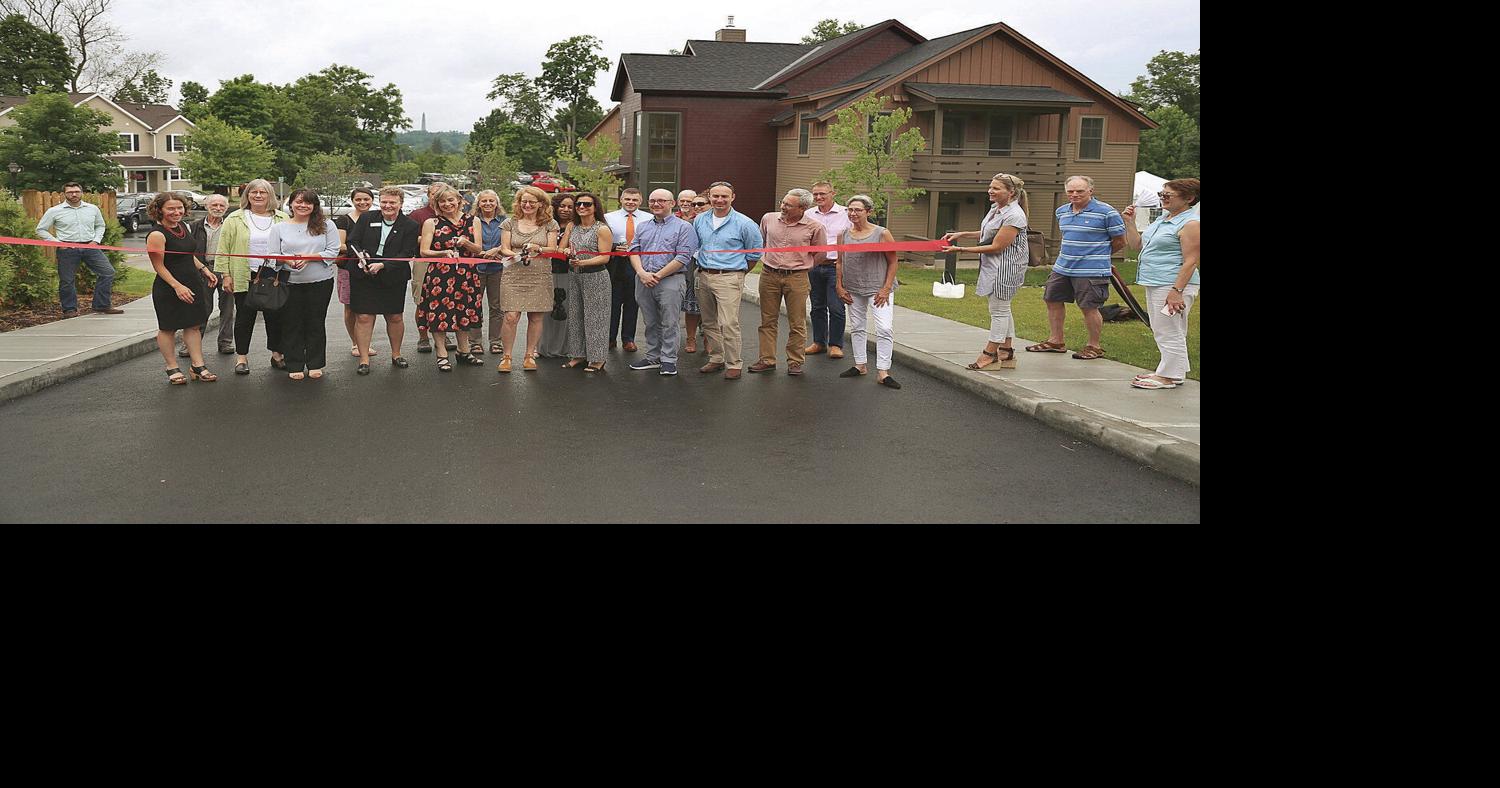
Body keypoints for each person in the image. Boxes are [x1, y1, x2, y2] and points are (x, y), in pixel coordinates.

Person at [1026, 175, 1125, 360]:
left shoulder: (1107, 212)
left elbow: (1120, 241)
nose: (1074, 195)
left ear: (1090, 191)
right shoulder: (1062, 211)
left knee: (1089, 307)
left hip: (1091, 270)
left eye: (1080, 191)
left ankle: (1094, 346)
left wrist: (1099, 255)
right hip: (1062, 267)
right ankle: (1056, 341)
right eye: (1070, 191)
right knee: (1052, 299)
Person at [941, 173, 1030, 371]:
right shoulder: (996, 208)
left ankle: (990, 354)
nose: (990, 191)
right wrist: (963, 234)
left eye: (996, 188)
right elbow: (991, 233)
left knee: (998, 311)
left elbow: (997, 246)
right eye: (991, 187)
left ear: (1011, 192)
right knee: (1003, 308)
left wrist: (960, 249)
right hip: (993, 266)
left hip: (1005, 268)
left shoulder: (1014, 215)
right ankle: (1006, 351)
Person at [1122, 178, 1200, 390]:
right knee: (1165, 328)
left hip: (1172, 284)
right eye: (1161, 194)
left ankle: (1168, 376)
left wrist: (1176, 291)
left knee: (1168, 330)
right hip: (1156, 282)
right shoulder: (1163, 219)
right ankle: (1174, 372)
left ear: (1189, 198)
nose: (1162, 198)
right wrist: (1130, 222)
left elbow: (1191, 261)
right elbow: (1137, 245)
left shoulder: (1191, 224)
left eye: (1168, 195)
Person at [215, 178, 289, 375]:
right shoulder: (235, 218)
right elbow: (223, 249)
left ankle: (277, 354)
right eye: (253, 192)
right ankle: (241, 358)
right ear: (247, 195)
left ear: (270, 195)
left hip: (274, 274)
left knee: (276, 317)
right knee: (244, 317)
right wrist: (225, 275)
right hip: (244, 273)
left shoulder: (282, 218)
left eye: (262, 192)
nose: (258, 195)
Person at [268, 188, 341, 380]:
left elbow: (333, 251)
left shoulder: (327, 225)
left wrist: (310, 257)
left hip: (320, 282)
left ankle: (315, 363)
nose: (303, 205)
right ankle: (294, 363)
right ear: (291, 204)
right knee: (291, 323)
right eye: (298, 201)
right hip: (289, 283)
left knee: (315, 322)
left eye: (308, 202)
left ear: (314, 206)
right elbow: (272, 254)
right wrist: (287, 260)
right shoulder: (279, 228)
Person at [146, 192, 218, 384]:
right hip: (169, 287)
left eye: (179, 208)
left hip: (192, 283)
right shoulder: (156, 234)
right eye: (170, 208)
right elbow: (158, 266)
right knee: (168, 327)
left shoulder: (184, 227)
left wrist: (204, 269)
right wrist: (177, 286)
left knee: (193, 325)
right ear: (159, 210)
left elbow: (187, 255)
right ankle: (172, 367)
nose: (176, 212)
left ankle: (197, 366)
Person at [693, 181, 762, 380]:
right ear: (709, 197)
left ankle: (734, 363)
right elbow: (697, 244)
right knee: (708, 322)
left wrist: (738, 274)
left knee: (728, 323)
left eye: (724, 196)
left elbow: (754, 253)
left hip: (729, 276)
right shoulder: (700, 219)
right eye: (715, 196)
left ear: (733, 197)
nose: (719, 200)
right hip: (703, 275)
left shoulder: (745, 223)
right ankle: (716, 358)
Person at [750, 188, 822, 376]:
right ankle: (767, 360)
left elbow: (821, 253)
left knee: (797, 322)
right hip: (769, 274)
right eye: (783, 202)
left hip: (797, 277)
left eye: (788, 205)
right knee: (767, 320)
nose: (782, 206)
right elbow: (760, 241)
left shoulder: (815, 227)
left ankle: (795, 362)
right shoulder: (768, 218)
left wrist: (804, 267)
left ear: (802, 208)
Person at [345, 186, 417, 373]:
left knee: (394, 317)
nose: (387, 206)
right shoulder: (367, 218)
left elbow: (407, 253)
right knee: (364, 317)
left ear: (401, 203)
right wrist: (361, 255)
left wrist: (383, 265)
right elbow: (352, 241)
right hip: (364, 275)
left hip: (393, 276)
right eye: (384, 202)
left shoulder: (410, 225)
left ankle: (396, 354)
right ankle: (364, 360)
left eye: (392, 202)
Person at [627, 189, 698, 376]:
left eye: (661, 200)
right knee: (650, 322)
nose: (656, 204)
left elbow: (683, 257)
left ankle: (668, 360)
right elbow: (633, 251)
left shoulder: (684, 228)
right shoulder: (642, 226)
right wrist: (641, 273)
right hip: (643, 280)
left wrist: (657, 276)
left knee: (669, 322)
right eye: (652, 201)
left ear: (672, 203)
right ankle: (653, 357)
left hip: (670, 281)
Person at [836, 195, 901, 389]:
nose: (853, 213)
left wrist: (886, 288)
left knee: (884, 328)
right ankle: (860, 364)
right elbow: (839, 262)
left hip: (878, 288)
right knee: (857, 327)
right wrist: (839, 286)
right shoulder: (843, 234)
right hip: (853, 287)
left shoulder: (882, 233)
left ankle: (883, 371)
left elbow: (893, 262)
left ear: (868, 212)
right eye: (850, 209)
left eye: (857, 210)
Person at [417, 185, 483, 372]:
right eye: (442, 201)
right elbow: (424, 251)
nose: (447, 204)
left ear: (459, 200)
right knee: (440, 313)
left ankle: (464, 351)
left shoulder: (473, 220)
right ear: (436, 204)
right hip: (440, 275)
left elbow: (478, 249)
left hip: (466, 274)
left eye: (450, 200)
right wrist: (443, 252)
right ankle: (442, 353)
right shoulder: (431, 222)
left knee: (464, 312)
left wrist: (466, 242)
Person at [496, 185, 560, 372]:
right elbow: (504, 248)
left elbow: (552, 249)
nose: (527, 205)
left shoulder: (550, 224)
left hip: (539, 275)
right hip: (513, 274)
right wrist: (516, 255)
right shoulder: (509, 223)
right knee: (511, 316)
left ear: (541, 204)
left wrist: (537, 248)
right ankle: (506, 357)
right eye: (524, 201)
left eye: (532, 202)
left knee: (536, 317)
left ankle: (529, 355)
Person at [35, 182, 120, 317]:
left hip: (90, 247)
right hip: (67, 249)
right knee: (67, 280)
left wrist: (96, 241)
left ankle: (101, 305)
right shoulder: (54, 211)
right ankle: (69, 309)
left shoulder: (92, 209)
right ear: (64, 194)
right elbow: (41, 229)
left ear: (81, 192)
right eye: (70, 192)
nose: (74, 194)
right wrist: (58, 243)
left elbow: (100, 225)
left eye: (76, 191)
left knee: (107, 272)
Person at [558, 191, 614, 373]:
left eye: (587, 204)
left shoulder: (602, 229)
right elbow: (561, 248)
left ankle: (597, 358)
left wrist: (583, 262)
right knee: (575, 316)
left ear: (595, 207)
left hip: (595, 276)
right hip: (574, 275)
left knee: (596, 318)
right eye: (578, 204)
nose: (581, 207)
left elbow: (605, 257)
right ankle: (578, 355)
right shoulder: (571, 226)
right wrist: (566, 251)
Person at [174, 192, 230, 356]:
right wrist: (200, 269)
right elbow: (187, 251)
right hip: (202, 270)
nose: (218, 208)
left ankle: (225, 342)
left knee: (227, 310)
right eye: (214, 205)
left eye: (221, 205)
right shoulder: (194, 226)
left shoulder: (230, 225)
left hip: (226, 270)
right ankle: (190, 345)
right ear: (206, 206)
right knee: (201, 309)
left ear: (226, 208)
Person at [407, 181, 454, 354]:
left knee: (445, 301)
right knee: (421, 301)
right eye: (434, 193)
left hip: (447, 263)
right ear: (428, 195)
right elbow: (408, 237)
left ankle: (443, 335)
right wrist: (429, 237)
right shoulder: (417, 214)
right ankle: (423, 337)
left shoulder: (452, 214)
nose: (438, 196)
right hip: (424, 261)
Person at [805, 180, 850, 359]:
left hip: (835, 266)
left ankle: (836, 345)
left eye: (822, 193)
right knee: (817, 306)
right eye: (815, 194)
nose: (818, 197)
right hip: (814, 266)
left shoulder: (846, 213)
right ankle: (819, 342)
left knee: (836, 306)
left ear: (833, 193)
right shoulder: (808, 214)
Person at [603, 187, 650, 352]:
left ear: (640, 201)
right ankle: (610, 338)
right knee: (613, 302)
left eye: (635, 200)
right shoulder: (608, 218)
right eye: (627, 199)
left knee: (632, 302)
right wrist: (615, 248)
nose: (631, 202)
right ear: (621, 200)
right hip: (615, 263)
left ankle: (628, 339)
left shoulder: (649, 218)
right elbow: (602, 240)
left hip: (638, 264)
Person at [334, 187, 376, 359]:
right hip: (348, 269)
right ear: (352, 201)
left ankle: (365, 342)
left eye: (366, 199)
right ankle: (355, 343)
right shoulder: (344, 220)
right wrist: (361, 250)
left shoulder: (377, 218)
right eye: (358, 199)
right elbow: (340, 245)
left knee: (369, 309)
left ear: (372, 200)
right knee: (350, 308)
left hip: (373, 269)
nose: (362, 202)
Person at [535, 193, 575, 359]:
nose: (566, 209)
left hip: (569, 273)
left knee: (567, 311)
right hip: (546, 272)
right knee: (544, 311)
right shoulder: (546, 225)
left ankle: (565, 347)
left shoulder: (577, 227)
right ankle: (542, 346)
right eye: (562, 206)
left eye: (570, 207)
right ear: (555, 207)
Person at [469, 189, 508, 357]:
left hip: (497, 269)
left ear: (497, 203)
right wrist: (481, 252)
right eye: (484, 201)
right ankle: (475, 342)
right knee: (473, 306)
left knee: (497, 307)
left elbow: (510, 241)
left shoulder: (505, 221)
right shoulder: (471, 220)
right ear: (478, 203)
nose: (488, 204)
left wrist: (496, 250)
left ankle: (496, 341)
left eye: (491, 200)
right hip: (475, 268)